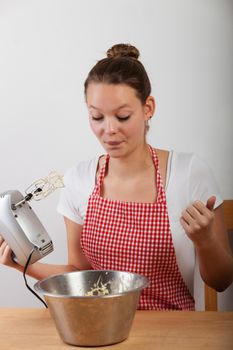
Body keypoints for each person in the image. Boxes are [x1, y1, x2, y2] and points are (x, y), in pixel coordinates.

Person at [0, 43, 233, 310]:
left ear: (148, 108)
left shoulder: (189, 174)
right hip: (101, 326)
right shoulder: (79, 180)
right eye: (96, 117)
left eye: (122, 116)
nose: (108, 130)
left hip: (172, 330)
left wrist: (205, 241)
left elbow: (222, 281)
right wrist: (23, 265)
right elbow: (80, 274)